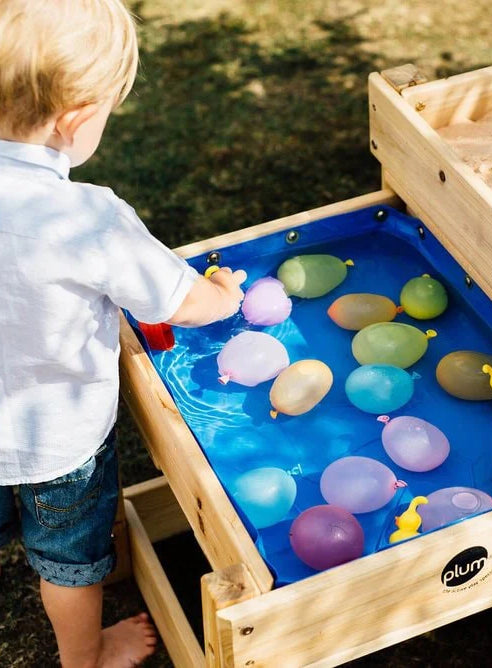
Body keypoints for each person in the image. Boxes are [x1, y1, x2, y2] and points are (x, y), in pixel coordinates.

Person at [0, 1, 247, 665]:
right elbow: (180, 302)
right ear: (75, 120)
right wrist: (222, 295)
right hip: (59, 446)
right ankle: (87, 658)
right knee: (67, 564)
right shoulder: (86, 218)